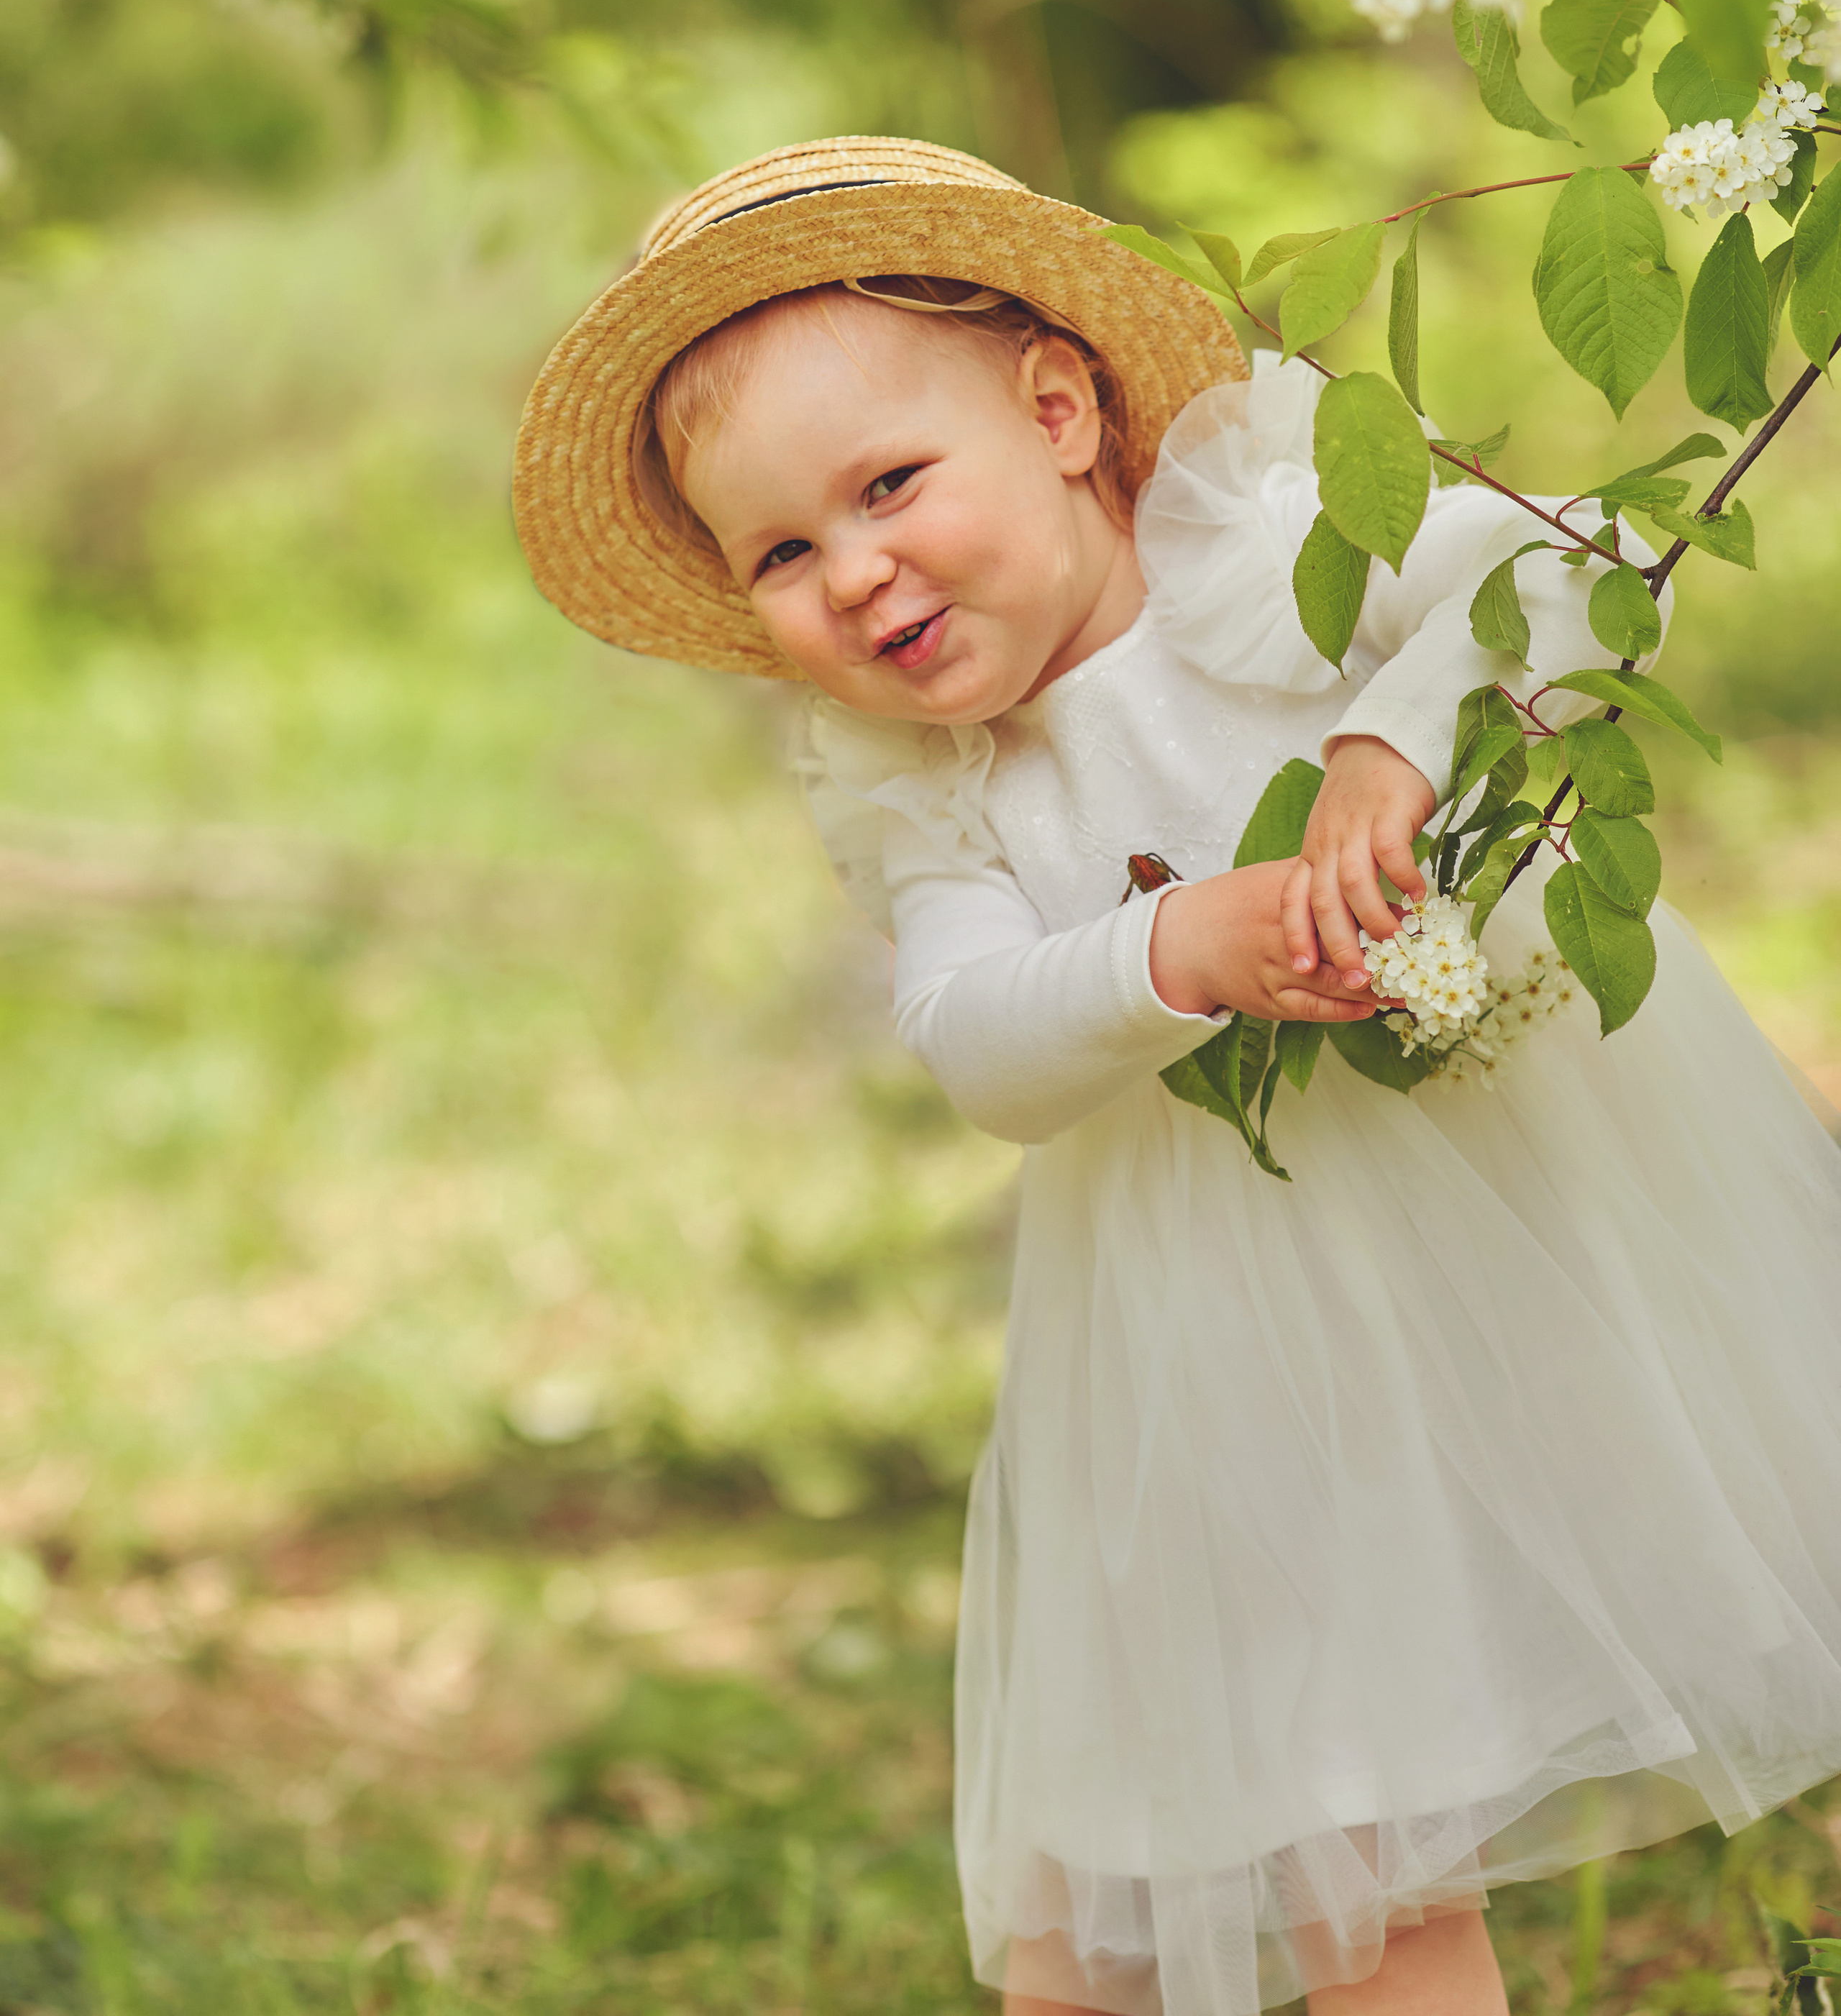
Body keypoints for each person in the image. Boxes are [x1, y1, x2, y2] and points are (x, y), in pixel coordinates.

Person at [513, 134, 1841, 2016]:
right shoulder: (925, 783)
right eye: (784, 555)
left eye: (889, 484)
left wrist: (1392, 744)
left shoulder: (1270, 533)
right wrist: (1172, 950)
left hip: (1490, 1249)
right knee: (1101, 1889)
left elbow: (1587, 573)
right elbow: (975, 1041)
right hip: (1209, 1349)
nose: (857, 570)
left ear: (1059, 410)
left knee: (1353, 1861)